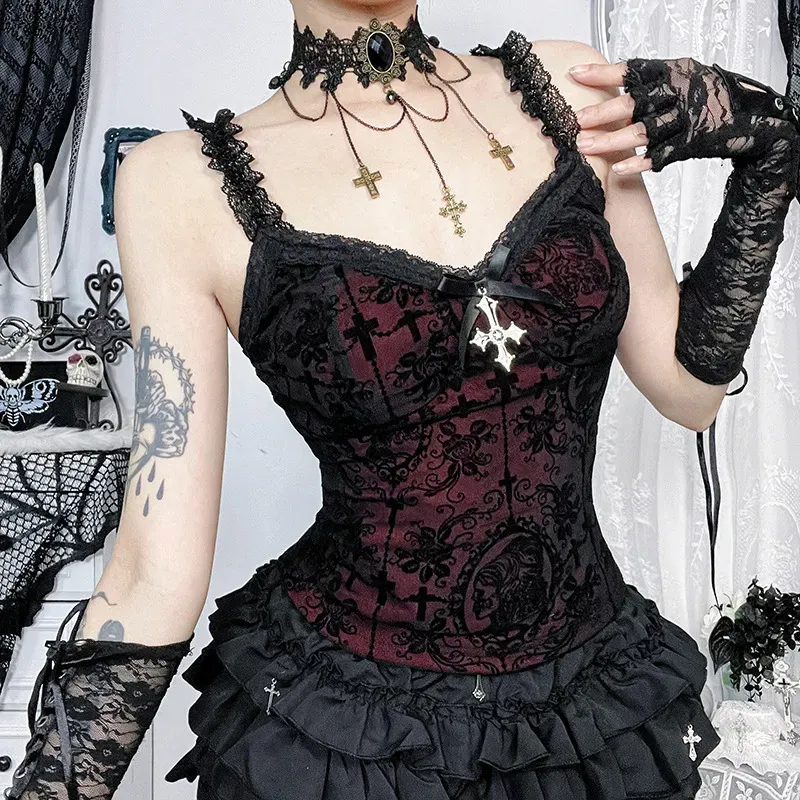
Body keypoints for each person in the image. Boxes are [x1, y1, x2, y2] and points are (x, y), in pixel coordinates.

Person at [7, 1, 800, 799]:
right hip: (353, 742)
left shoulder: (568, 86)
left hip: (586, 718)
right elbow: (153, 576)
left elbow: (688, 390)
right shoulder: (180, 182)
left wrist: (767, 147)